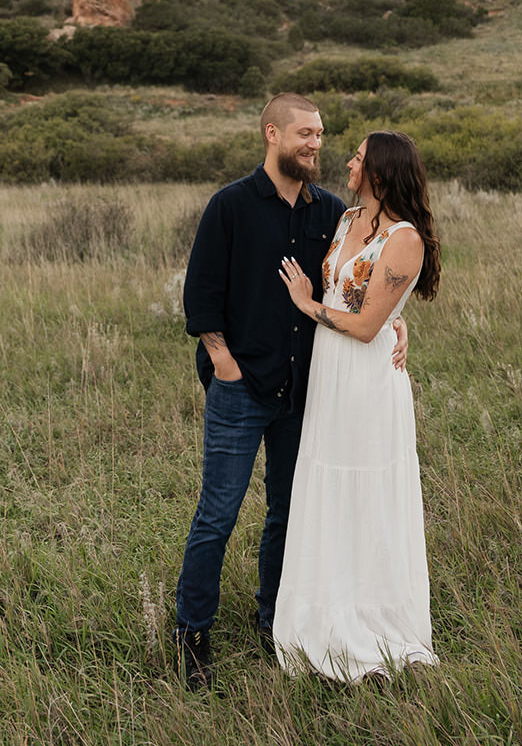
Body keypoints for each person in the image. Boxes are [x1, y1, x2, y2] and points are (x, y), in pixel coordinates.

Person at [174, 94, 407, 690]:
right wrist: (223, 363)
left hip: (305, 393)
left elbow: (355, 283)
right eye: (305, 133)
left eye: (322, 135)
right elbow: (200, 298)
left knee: (287, 513)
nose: (315, 144)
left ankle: (272, 617)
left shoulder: (330, 211)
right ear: (273, 134)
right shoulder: (229, 205)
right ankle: (191, 634)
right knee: (218, 514)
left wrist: (397, 321)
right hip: (239, 389)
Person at [274, 129, 441, 682]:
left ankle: (371, 617)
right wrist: (392, 317)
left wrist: (306, 304)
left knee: (365, 489)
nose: (348, 162)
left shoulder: (404, 238)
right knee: (325, 483)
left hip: (367, 381)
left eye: (359, 158)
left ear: (382, 172)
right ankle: (324, 612)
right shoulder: (347, 221)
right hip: (329, 376)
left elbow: (368, 326)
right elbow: (358, 298)